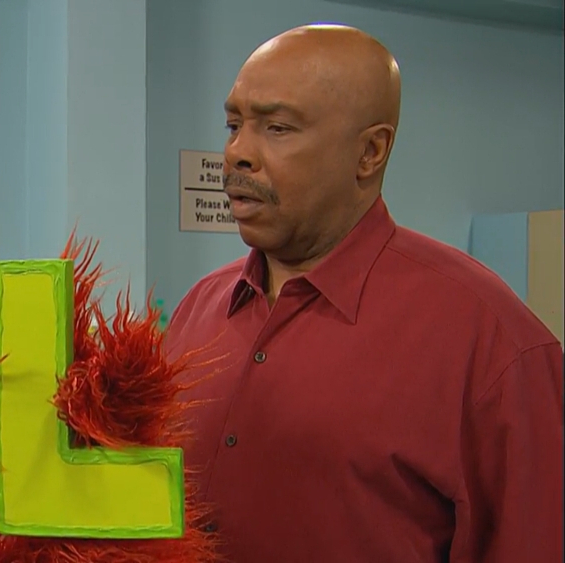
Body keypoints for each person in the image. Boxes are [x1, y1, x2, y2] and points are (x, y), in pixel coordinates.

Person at [165, 23, 564, 563]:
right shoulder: (197, 310)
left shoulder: (491, 340)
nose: (237, 152)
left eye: (277, 128)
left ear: (370, 152)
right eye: (234, 125)